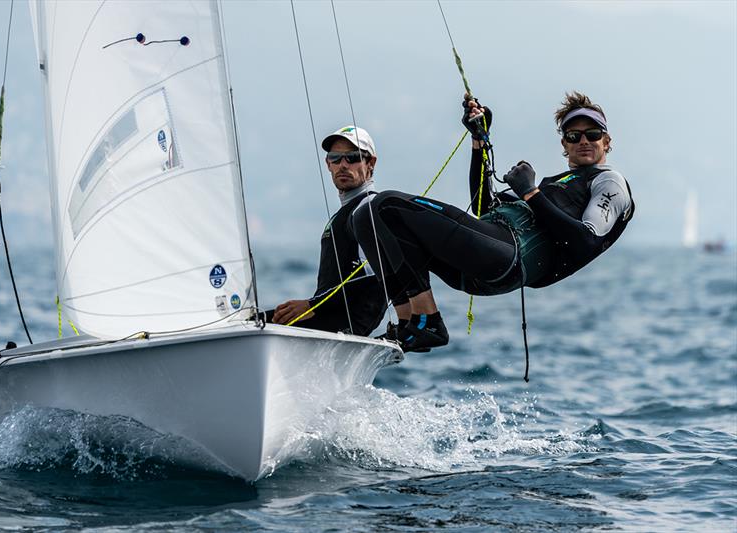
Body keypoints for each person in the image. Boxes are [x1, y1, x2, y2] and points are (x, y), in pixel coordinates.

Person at [351, 91, 635, 352]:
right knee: (365, 215)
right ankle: (408, 324)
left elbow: (586, 241)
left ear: (606, 141)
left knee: (387, 204)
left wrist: (531, 192)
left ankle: (429, 322)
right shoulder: (555, 184)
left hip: (508, 257)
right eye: (574, 136)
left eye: (593, 134)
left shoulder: (608, 181)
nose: (583, 141)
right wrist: (479, 141)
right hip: (482, 256)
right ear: (564, 143)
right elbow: (482, 206)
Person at [267, 126, 387, 336]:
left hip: (346, 324)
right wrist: (314, 306)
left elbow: (374, 279)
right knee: (249, 321)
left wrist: (312, 305)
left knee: (249, 324)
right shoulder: (345, 213)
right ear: (328, 164)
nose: (343, 165)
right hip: (329, 319)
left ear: (371, 163)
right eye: (335, 158)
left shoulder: (368, 208)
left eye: (352, 157)